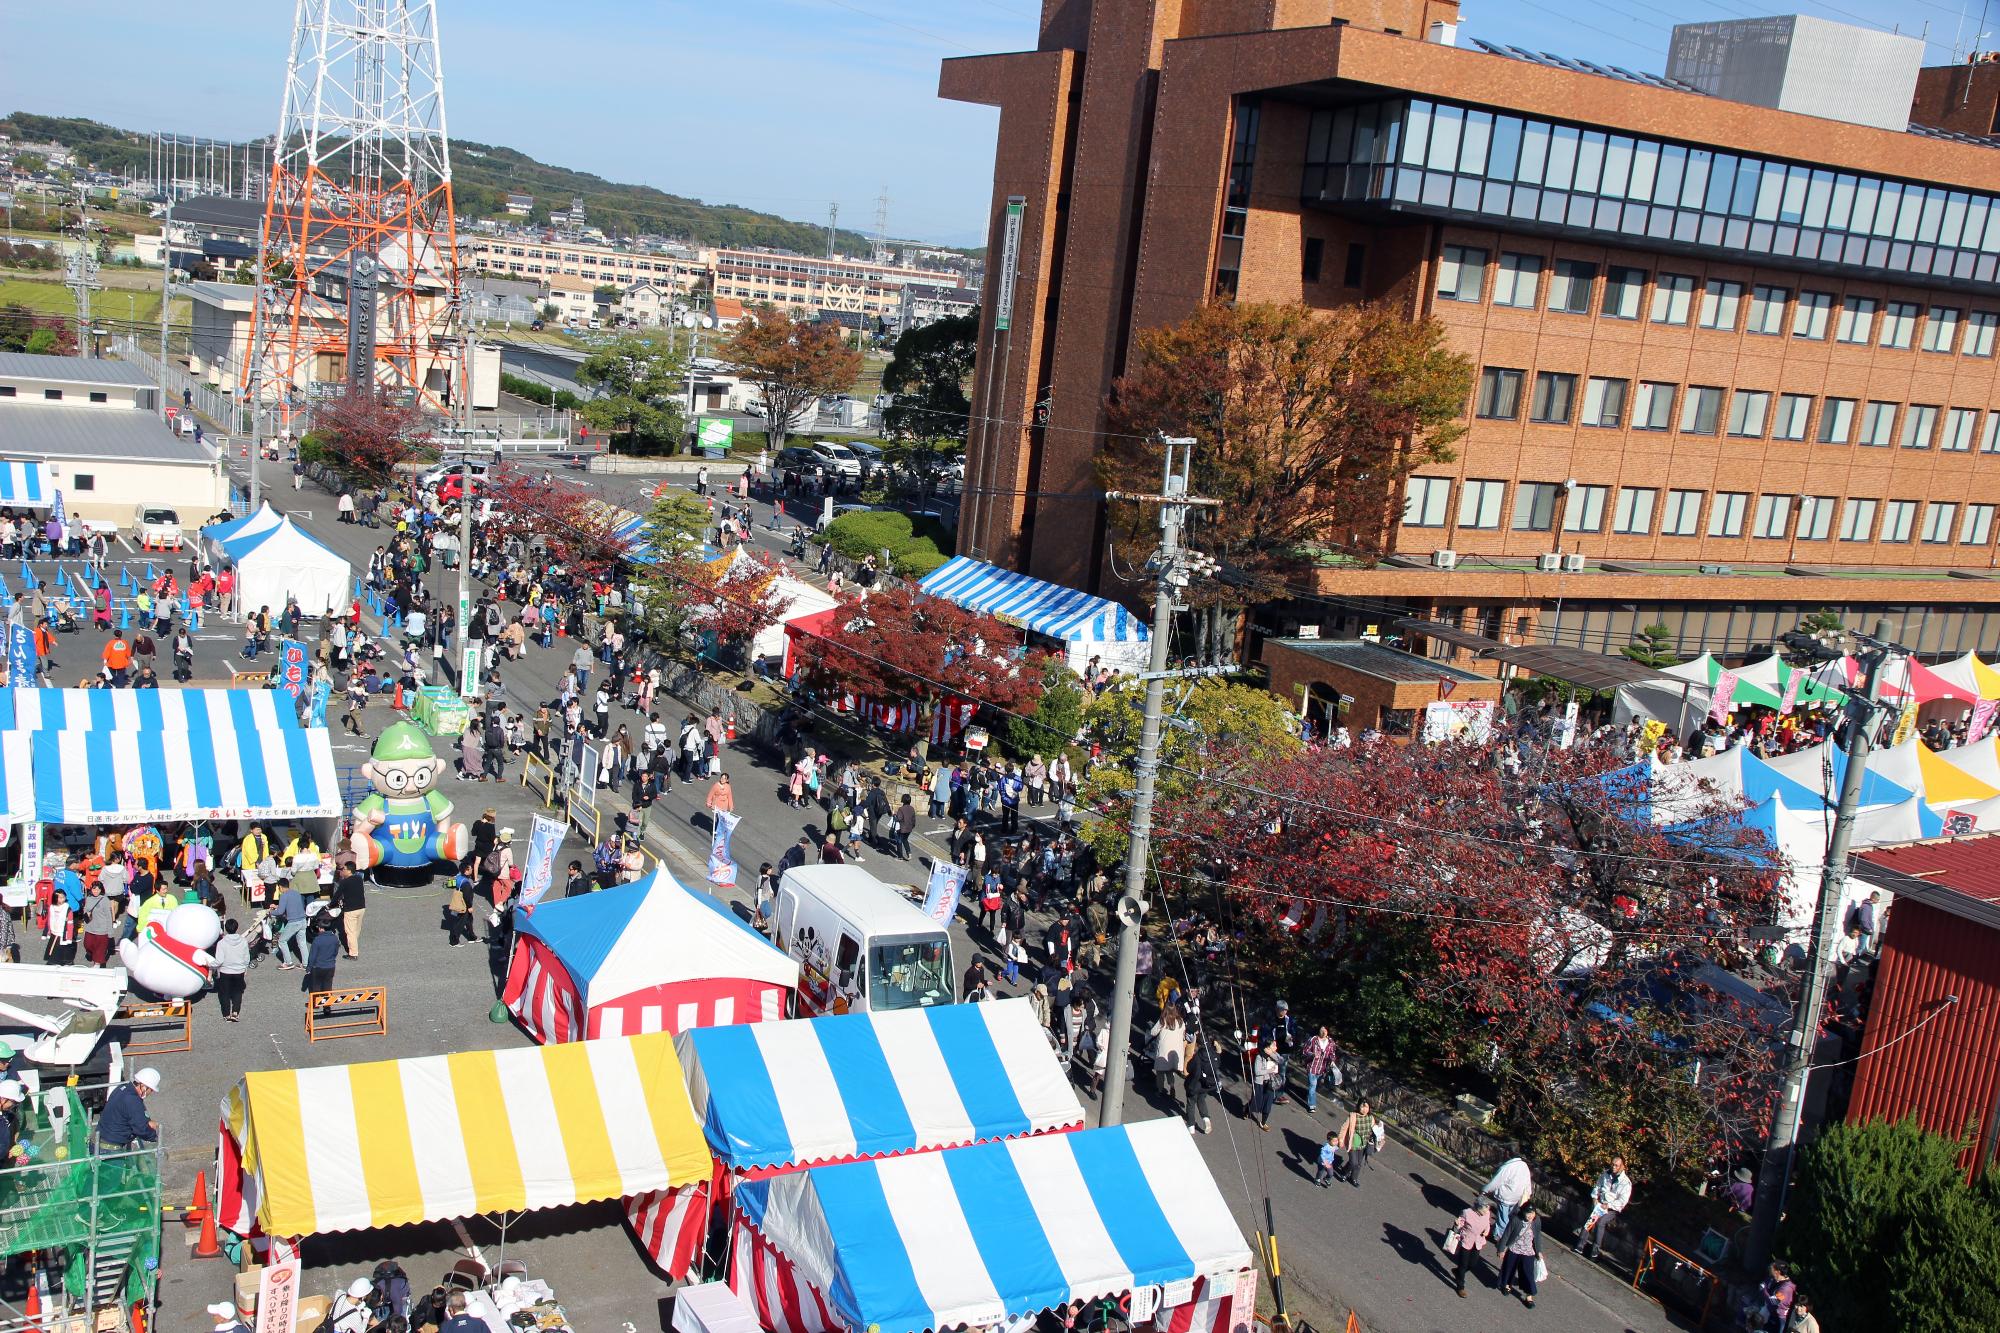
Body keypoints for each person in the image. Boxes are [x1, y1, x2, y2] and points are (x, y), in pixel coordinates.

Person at [1576, 1155, 1632, 1260]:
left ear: (1622, 1167)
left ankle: (1595, 1248)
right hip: (1600, 1204)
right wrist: (1594, 1198)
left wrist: (1609, 1205)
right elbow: (1597, 1187)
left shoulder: (1625, 1183)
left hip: (1612, 1208)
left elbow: (1622, 1201)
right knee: (1592, 1219)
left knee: (1600, 1222)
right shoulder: (1606, 1174)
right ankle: (1580, 1244)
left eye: (1616, 1166)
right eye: (1613, 1165)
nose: (1614, 1167)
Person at [99, 1068, 161, 1151]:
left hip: (102, 1136)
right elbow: (141, 1129)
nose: (151, 1092)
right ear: (143, 1087)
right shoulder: (133, 1101)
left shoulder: (122, 1088)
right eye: (151, 1090)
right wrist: (153, 1136)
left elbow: (135, 1116)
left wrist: (147, 1122)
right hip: (110, 1146)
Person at [1495, 1202, 1545, 1307]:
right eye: (1528, 1213)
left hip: (1528, 1252)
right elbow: (1506, 1234)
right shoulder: (1516, 1220)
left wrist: (1538, 1251)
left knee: (1528, 1273)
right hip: (1514, 1249)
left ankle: (1529, 1295)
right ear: (1523, 1212)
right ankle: (1507, 1285)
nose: (1530, 1215)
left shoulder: (1537, 1221)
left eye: (1532, 1213)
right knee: (1509, 1269)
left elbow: (1538, 1237)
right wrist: (1501, 1249)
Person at [1448, 1197, 1495, 1298]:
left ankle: (1457, 1272)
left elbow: (1487, 1224)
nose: (1488, 1209)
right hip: (1466, 1240)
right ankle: (1460, 1287)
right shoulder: (1467, 1213)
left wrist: (1487, 1231)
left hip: (1478, 1241)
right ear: (1479, 1207)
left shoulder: (1487, 1214)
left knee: (1473, 1264)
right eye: (1486, 1207)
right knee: (1463, 1264)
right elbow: (1460, 1224)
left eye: (1488, 1207)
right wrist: (1457, 1224)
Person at [1483, 1155, 1534, 1235]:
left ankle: (1501, 1236)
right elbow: (1527, 1183)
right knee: (1509, 1216)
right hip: (1516, 1198)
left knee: (1503, 1219)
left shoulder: (1508, 1167)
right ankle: (1497, 1232)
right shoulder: (1524, 1166)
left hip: (1505, 1196)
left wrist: (1485, 1190)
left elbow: (1496, 1181)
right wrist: (1528, 1194)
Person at [212, 918, 251, 1021]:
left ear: (226, 929)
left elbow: (219, 961)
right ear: (237, 928)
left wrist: (210, 965)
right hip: (239, 971)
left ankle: (226, 1014)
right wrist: (245, 967)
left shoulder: (221, 943)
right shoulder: (243, 941)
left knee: (224, 993)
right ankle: (235, 1013)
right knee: (237, 992)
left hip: (225, 972)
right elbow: (247, 957)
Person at [1334, 1099, 1378, 1186]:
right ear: (1358, 1107)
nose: (1364, 1109)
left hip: (1363, 1144)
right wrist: (1341, 1139)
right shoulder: (1353, 1116)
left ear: (1369, 1108)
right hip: (1353, 1144)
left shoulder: (1371, 1118)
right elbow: (1344, 1128)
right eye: (1362, 1107)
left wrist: (1379, 1134)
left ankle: (1353, 1178)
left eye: (1366, 1107)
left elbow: (1375, 1130)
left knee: (1358, 1164)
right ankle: (1344, 1174)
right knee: (1353, 1162)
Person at [272, 880, 308, 969]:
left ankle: (288, 963)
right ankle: (305, 964)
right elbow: (293, 905)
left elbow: (280, 911)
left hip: (294, 922)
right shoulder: (296, 893)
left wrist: (271, 912)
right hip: (303, 920)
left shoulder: (284, 895)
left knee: (282, 941)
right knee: (302, 943)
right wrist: (277, 906)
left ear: (280, 887)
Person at [1302, 1025, 1338, 1113]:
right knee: (1312, 1085)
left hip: (1322, 1069)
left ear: (1327, 1032)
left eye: (1325, 1030)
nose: (1323, 1031)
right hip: (1312, 1066)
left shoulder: (1331, 1042)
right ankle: (1312, 1105)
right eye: (1321, 1029)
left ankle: (1310, 1096)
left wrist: (1332, 1061)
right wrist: (1312, 1054)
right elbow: (1305, 1050)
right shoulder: (1313, 1039)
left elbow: (1332, 1054)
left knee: (1315, 1086)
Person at [336, 861, 368, 958]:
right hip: (361, 907)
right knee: (357, 930)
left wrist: (331, 905)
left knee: (350, 932)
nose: (342, 871)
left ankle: (353, 953)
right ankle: (353, 946)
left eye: (344, 869)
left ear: (349, 871)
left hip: (350, 909)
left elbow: (337, 895)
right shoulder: (359, 879)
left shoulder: (345, 882)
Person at [1248, 1041, 1280, 1130]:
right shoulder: (1259, 1057)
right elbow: (1257, 1072)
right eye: (1269, 1048)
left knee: (1268, 1103)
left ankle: (1263, 1122)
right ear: (1265, 1048)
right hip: (1261, 1083)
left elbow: (1281, 1060)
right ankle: (1247, 1109)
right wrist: (1269, 1071)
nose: (1271, 1049)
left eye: (1272, 1047)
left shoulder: (1274, 1056)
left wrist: (1273, 1054)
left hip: (1270, 1084)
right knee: (1256, 1102)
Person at [1755, 1262, 1796, 1332]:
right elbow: (1765, 1282)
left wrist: (1763, 1290)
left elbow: (1773, 1301)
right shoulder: (1775, 1279)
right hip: (1769, 1312)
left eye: (1772, 1271)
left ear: (1778, 1272)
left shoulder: (1786, 1289)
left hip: (1779, 1319)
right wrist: (1764, 1286)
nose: (1770, 1273)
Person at [304, 917, 339, 995]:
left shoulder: (317, 940)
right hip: (330, 966)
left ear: (322, 929)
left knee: (316, 985)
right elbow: (335, 952)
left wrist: (309, 967)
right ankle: (327, 1005)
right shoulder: (335, 938)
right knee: (328, 985)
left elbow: (312, 956)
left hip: (318, 967)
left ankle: (315, 1004)